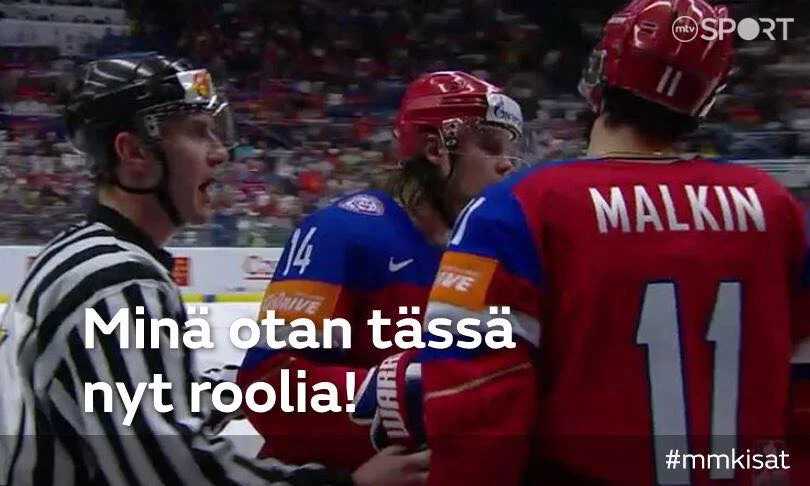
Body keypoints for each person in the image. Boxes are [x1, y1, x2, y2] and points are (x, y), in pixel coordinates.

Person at [408, 1, 810, 485]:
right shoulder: (777, 207)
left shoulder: (517, 208)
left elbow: (470, 400)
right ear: (706, 98)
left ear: (600, 70)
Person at [0, 53, 427, 486]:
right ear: (133, 152)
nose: (221, 153)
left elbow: (133, 407)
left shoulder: (87, 254)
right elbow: (174, 472)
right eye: (197, 132)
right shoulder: (116, 282)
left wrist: (237, 387)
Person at [235, 71, 524, 470]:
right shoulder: (342, 230)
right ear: (435, 149)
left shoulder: (488, 250)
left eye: (511, 150)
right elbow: (270, 384)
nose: (508, 164)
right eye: (490, 146)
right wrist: (412, 397)